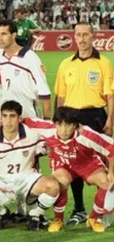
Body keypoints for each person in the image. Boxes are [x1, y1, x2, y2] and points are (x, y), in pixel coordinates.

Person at [54, 22, 114, 225]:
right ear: (74, 37)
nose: (81, 38)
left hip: (95, 116)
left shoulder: (103, 63)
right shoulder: (65, 64)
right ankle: (79, 209)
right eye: (78, 35)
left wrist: (109, 121)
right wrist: (58, 121)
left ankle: (102, 211)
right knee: (73, 162)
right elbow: (60, 97)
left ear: (93, 36)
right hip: (71, 119)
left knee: (102, 165)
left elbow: (110, 95)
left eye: (85, 35)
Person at [22, 107, 114, 233]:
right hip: (63, 164)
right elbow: (23, 121)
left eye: (68, 125)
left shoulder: (86, 135)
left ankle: (93, 218)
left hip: (87, 163)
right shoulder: (48, 129)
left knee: (106, 183)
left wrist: (111, 172)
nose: (63, 130)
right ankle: (58, 219)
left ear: (75, 125)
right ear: (55, 124)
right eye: (59, 124)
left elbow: (111, 148)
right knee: (60, 182)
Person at [0, 101, 60, 231]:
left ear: (19, 118)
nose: (8, 121)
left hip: (27, 178)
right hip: (1, 181)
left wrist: (49, 149)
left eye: (12, 116)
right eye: (5, 116)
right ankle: (2, 211)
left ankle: (35, 214)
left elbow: (54, 134)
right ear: (0, 118)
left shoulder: (32, 133)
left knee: (53, 186)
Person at [0, 19, 51, 120]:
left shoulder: (30, 57)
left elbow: (44, 91)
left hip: (28, 116)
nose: (0, 38)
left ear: (13, 35)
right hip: (6, 118)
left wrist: (47, 120)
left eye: (4, 34)